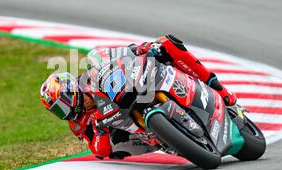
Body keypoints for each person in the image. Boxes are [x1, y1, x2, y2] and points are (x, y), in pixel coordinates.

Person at [40, 35, 237, 160]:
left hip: (134, 86)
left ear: (70, 90)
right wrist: (100, 128)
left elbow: (116, 55)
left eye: (62, 104)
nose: (64, 111)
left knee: (166, 43)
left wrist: (142, 49)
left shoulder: (89, 75)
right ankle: (172, 138)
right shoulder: (78, 124)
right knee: (116, 149)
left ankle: (219, 90)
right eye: (57, 110)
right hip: (131, 130)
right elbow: (99, 151)